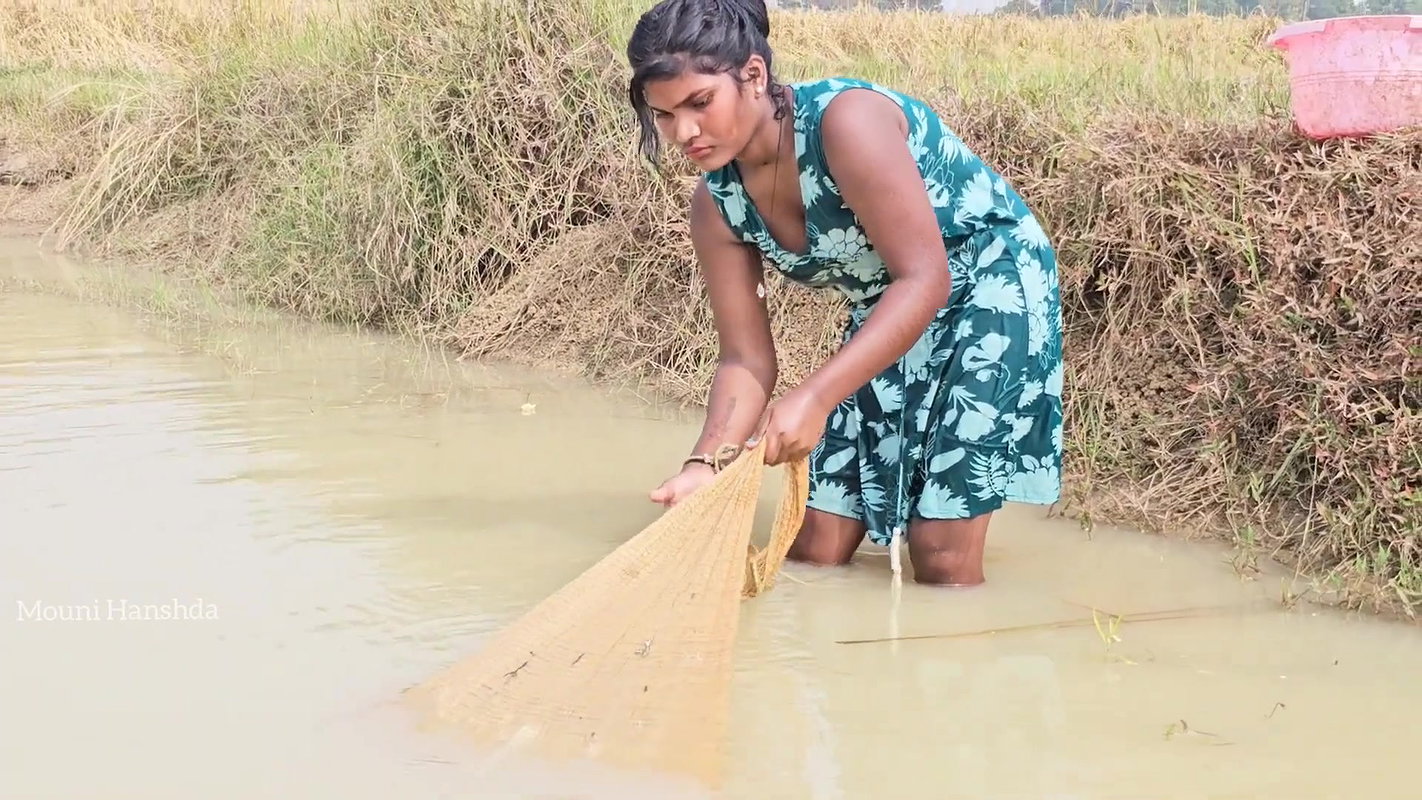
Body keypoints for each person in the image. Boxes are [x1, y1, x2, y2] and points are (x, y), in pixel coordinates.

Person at [628, 0, 1064, 586]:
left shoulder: (845, 121)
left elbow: (927, 277)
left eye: (699, 103)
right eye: (663, 115)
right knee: (817, 547)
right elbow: (746, 358)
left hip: (989, 283)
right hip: (890, 303)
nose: (684, 132)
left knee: (939, 556)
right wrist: (704, 463)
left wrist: (814, 398)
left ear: (753, 76)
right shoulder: (717, 204)